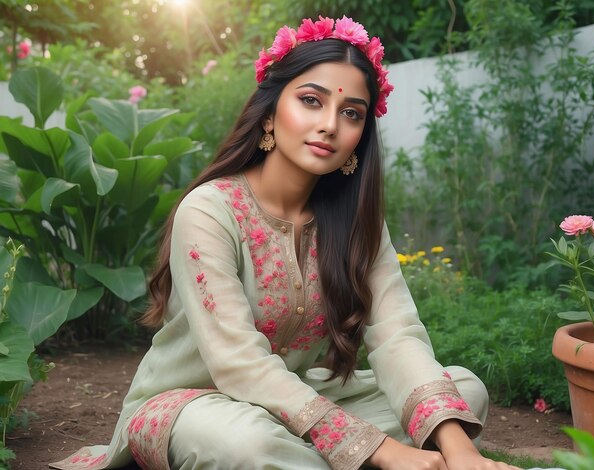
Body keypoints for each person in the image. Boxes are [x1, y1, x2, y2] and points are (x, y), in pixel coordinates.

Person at [51, 16, 522, 470]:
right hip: (196, 405)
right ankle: (352, 457)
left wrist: (462, 454)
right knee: (247, 445)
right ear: (270, 114)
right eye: (312, 101)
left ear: (360, 137)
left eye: (351, 113)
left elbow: (397, 334)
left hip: (297, 401)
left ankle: (326, 458)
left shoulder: (357, 223)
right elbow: (237, 364)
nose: (330, 125)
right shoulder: (211, 210)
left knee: (461, 393)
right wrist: (376, 447)